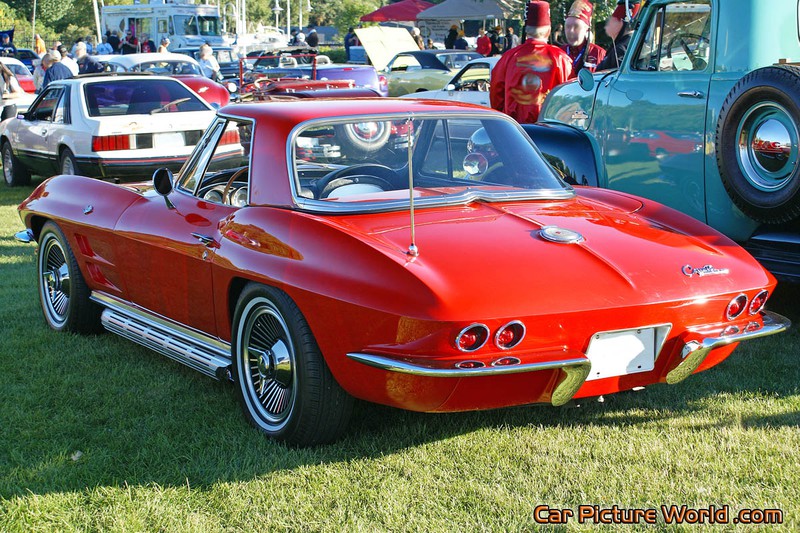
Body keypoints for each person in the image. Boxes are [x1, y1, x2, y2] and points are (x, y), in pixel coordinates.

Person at [490, 0, 572, 123]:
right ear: (548, 30)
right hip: (551, 128)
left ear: (526, 30)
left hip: (516, 127)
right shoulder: (561, 58)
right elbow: (569, 96)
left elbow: (496, 94)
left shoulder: (508, 57)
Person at [560, 0, 606, 77]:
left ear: (586, 28)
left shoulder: (599, 54)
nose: (571, 31)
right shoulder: (559, 54)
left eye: (576, 27)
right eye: (568, 26)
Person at [597, 0, 642, 71]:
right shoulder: (637, 44)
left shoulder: (620, 50)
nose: (605, 27)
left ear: (621, 23)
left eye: (610, 21)